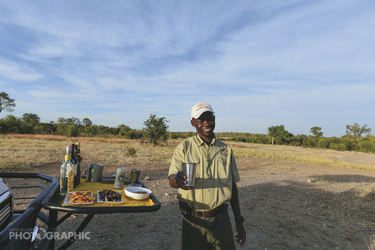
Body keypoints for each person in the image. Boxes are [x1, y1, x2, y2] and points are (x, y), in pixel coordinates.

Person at [168, 103, 246, 249]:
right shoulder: (184, 147)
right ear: (193, 123)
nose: (206, 123)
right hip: (194, 222)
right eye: (200, 120)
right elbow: (172, 179)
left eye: (209, 118)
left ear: (214, 119)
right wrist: (177, 180)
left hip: (221, 220)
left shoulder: (226, 150)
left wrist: (239, 220)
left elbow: (232, 186)